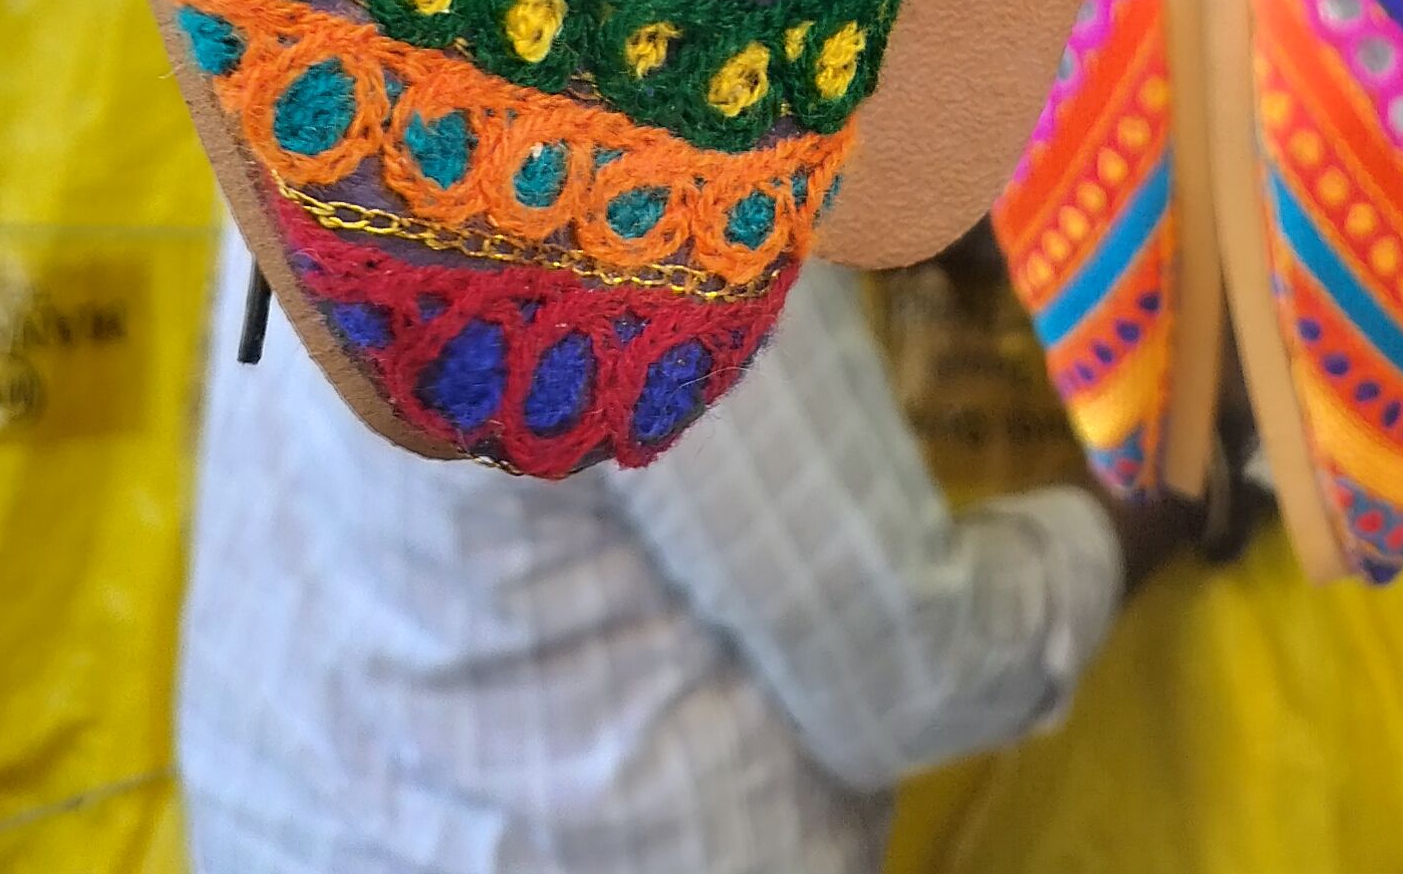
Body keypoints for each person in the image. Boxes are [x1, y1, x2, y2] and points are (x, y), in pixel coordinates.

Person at [177, 242, 1200, 874]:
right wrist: (1174, 485)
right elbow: (905, 668)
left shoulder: (319, 20)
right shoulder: (669, 174)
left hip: (293, 819)